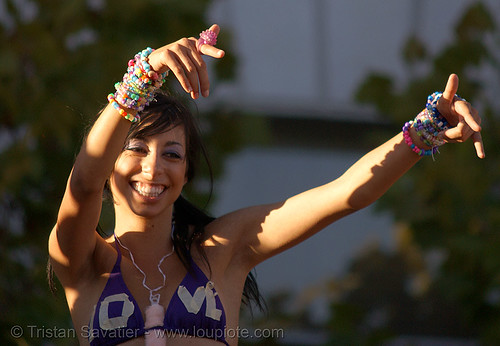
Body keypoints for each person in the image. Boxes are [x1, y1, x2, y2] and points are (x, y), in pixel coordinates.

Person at [48, 24, 485, 346]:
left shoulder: (225, 249)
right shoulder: (82, 260)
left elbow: (348, 194)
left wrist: (428, 127)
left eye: (172, 154)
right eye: (136, 149)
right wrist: (143, 74)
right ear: (110, 162)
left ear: (186, 173)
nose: (153, 168)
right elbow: (84, 185)